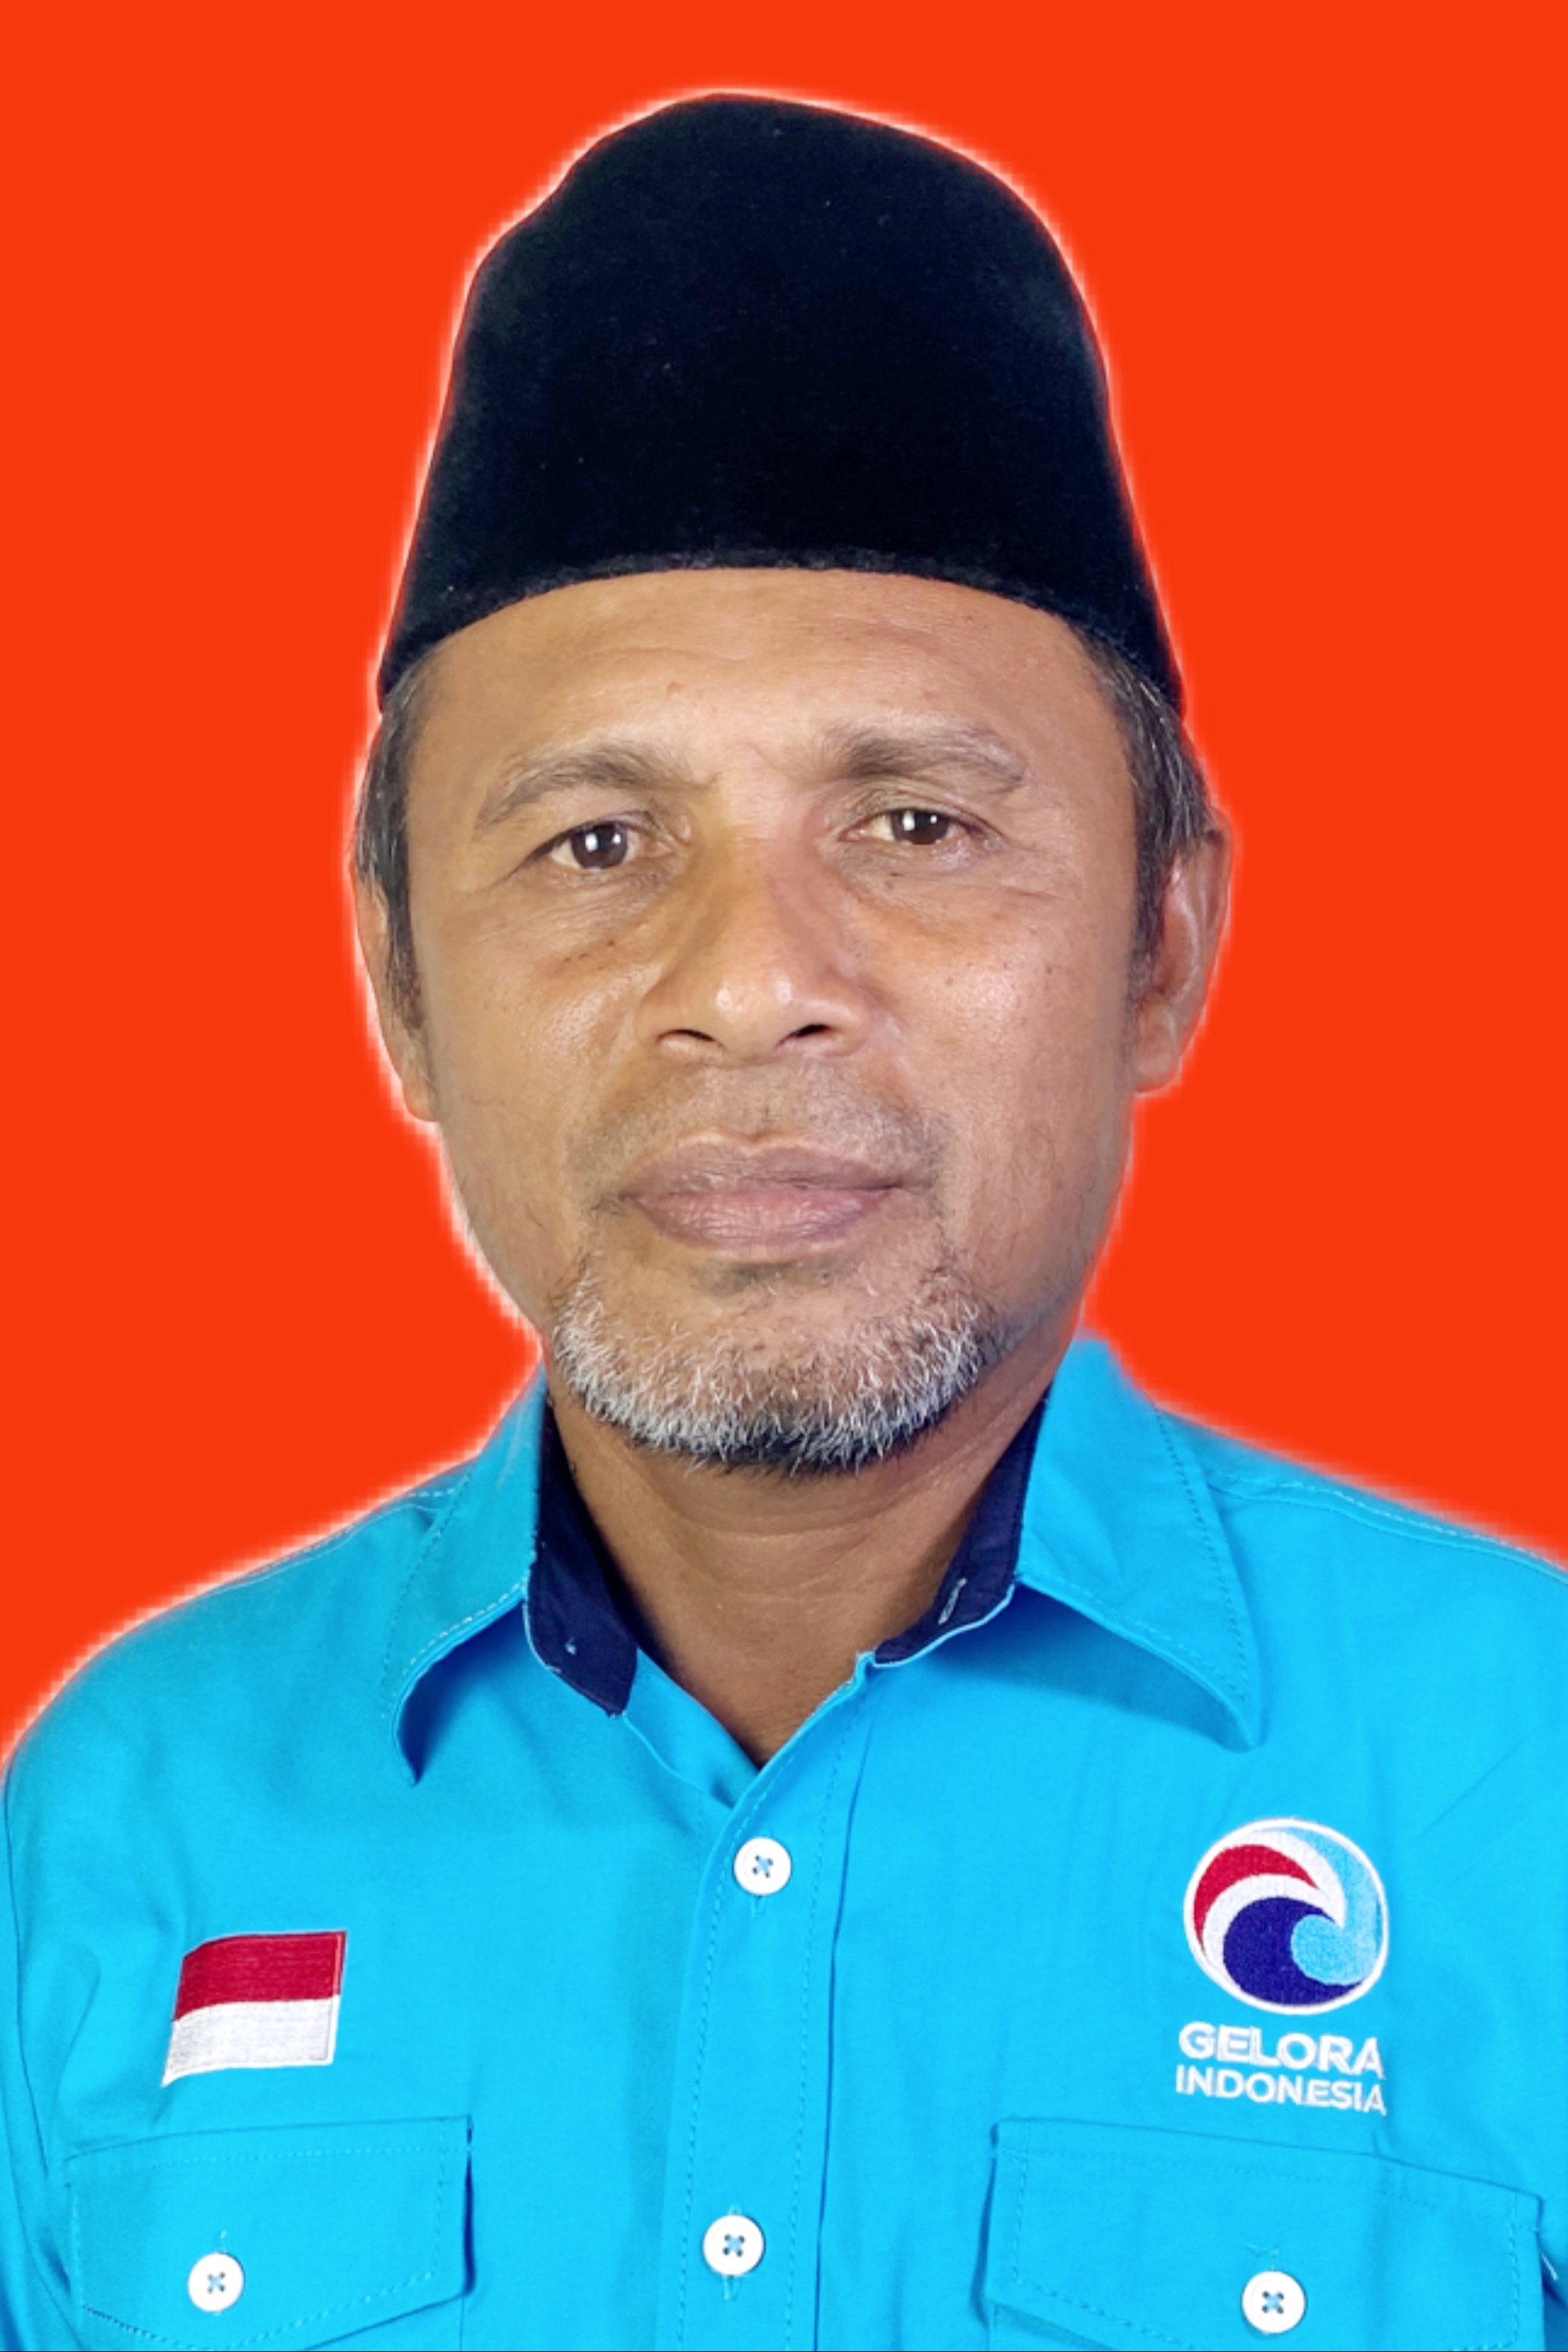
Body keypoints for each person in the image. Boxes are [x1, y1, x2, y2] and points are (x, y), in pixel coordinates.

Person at [3, 92, 1564, 2352]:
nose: (751, 984)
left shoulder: (1526, 1783)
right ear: (399, 983)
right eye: (598, 844)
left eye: (916, 821)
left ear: (1161, 944)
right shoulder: (127, 1822)